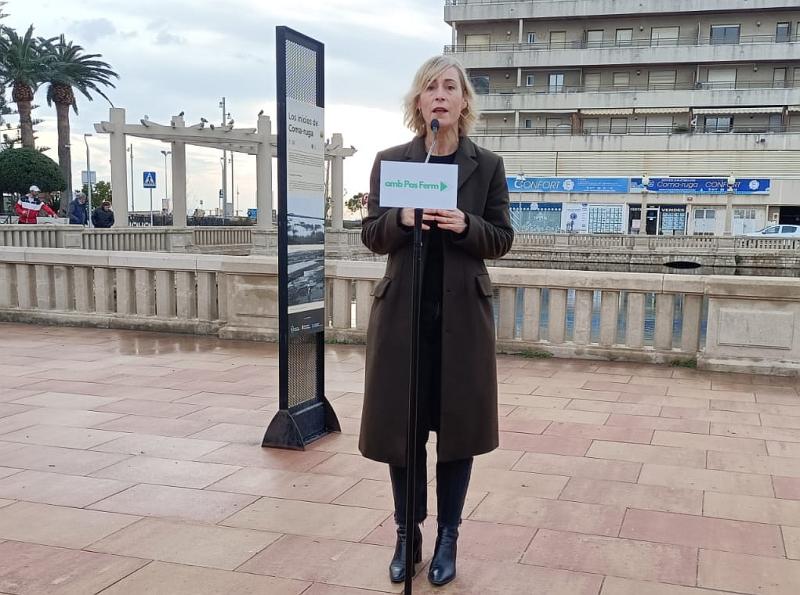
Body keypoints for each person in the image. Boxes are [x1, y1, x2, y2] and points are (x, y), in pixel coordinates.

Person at [359, 55, 513, 586]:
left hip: (461, 323)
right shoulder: (393, 161)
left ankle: (449, 537)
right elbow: (371, 234)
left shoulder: (486, 166)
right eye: (431, 87)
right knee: (402, 432)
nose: (440, 95)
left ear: (463, 102)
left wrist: (466, 224)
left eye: (450, 87)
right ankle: (408, 534)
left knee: (457, 433)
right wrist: (401, 218)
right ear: (419, 102)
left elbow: (502, 239)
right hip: (403, 321)